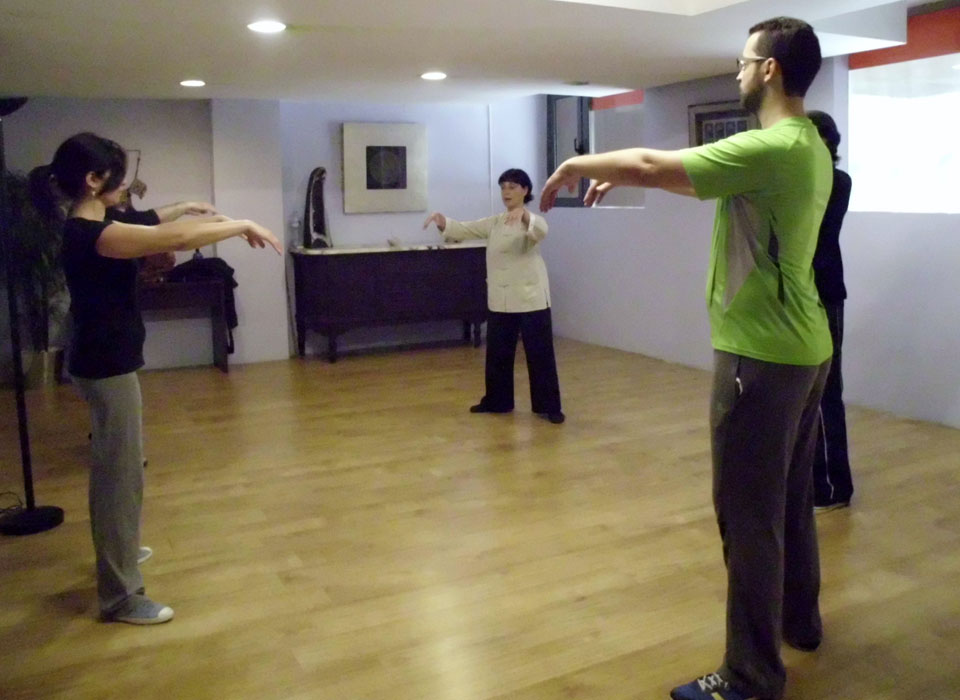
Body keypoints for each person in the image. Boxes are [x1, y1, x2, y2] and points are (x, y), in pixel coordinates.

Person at [540, 17, 832, 700]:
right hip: (805, 347)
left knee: (747, 515)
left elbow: (651, 166)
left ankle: (751, 673)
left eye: (744, 61)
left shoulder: (775, 144)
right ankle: (800, 622)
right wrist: (619, 174)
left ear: (770, 70)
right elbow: (681, 176)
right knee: (789, 502)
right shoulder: (809, 144)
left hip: (760, 356)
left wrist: (575, 164)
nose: (738, 70)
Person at [28, 132, 281, 625]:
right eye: (119, 180)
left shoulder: (98, 223)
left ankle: (119, 551)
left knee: (120, 470)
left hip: (106, 360)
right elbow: (173, 240)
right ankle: (120, 595)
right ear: (93, 180)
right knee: (119, 476)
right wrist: (240, 224)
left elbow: (152, 222)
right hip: (106, 365)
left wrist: (190, 207)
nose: (126, 188)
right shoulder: (92, 235)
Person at [423, 168, 564, 424]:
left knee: (540, 354)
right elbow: (465, 229)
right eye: (503, 187)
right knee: (498, 354)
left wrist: (524, 217)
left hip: (530, 298)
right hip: (501, 299)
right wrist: (443, 221)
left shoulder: (532, 220)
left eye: (512, 187)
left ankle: (549, 407)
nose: (506, 192)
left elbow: (540, 231)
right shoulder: (495, 222)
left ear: (525, 190)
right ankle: (498, 401)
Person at [806, 110, 854, 512]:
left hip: (824, 293)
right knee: (808, 390)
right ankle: (814, 480)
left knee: (825, 390)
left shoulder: (837, 181)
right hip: (805, 293)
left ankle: (833, 487)